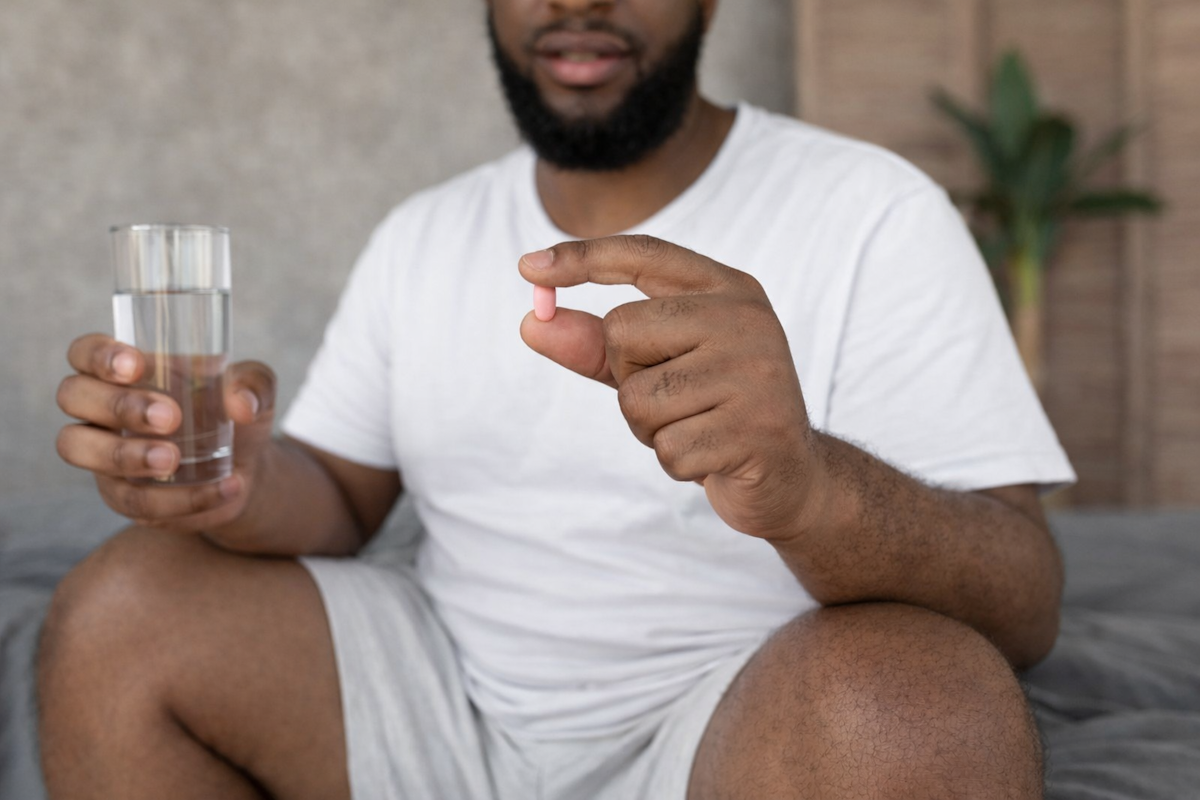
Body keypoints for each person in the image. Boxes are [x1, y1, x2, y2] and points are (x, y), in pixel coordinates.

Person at [41, 0, 1076, 797]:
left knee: (921, 701)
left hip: (739, 727)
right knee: (126, 602)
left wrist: (806, 484)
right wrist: (245, 473)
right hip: (443, 705)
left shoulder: (872, 211)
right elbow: (339, 503)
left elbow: (1023, 596)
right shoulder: (425, 232)